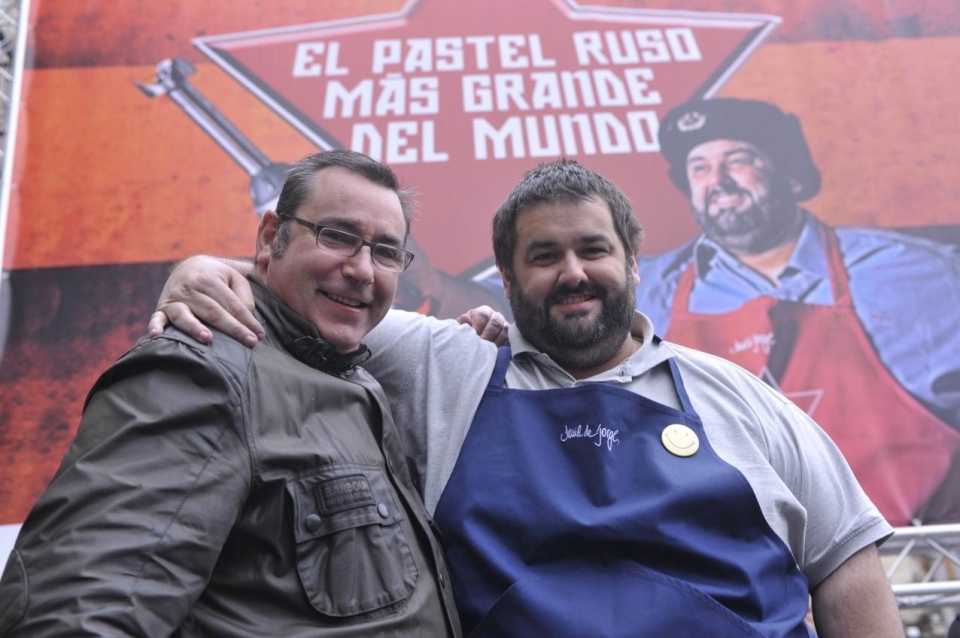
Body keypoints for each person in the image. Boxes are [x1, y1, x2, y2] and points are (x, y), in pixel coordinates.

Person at [151, 159, 903, 637]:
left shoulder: (741, 398)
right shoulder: (443, 364)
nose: (573, 272)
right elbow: (306, 295)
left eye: (593, 249)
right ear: (506, 282)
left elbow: (845, 563)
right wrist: (207, 270)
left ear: (632, 265)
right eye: (544, 256)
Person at [0, 150, 463, 637]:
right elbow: (80, 610)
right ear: (270, 237)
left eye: (386, 252)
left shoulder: (354, 372)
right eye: (337, 236)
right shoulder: (200, 370)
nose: (364, 270)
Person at [638, 97, 960, 526]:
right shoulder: (642, 291)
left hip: (907, 552)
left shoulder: (918, 271)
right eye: (699, 168)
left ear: (789, 174)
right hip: (725, 554)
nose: (718, 181)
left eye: (738, 161)